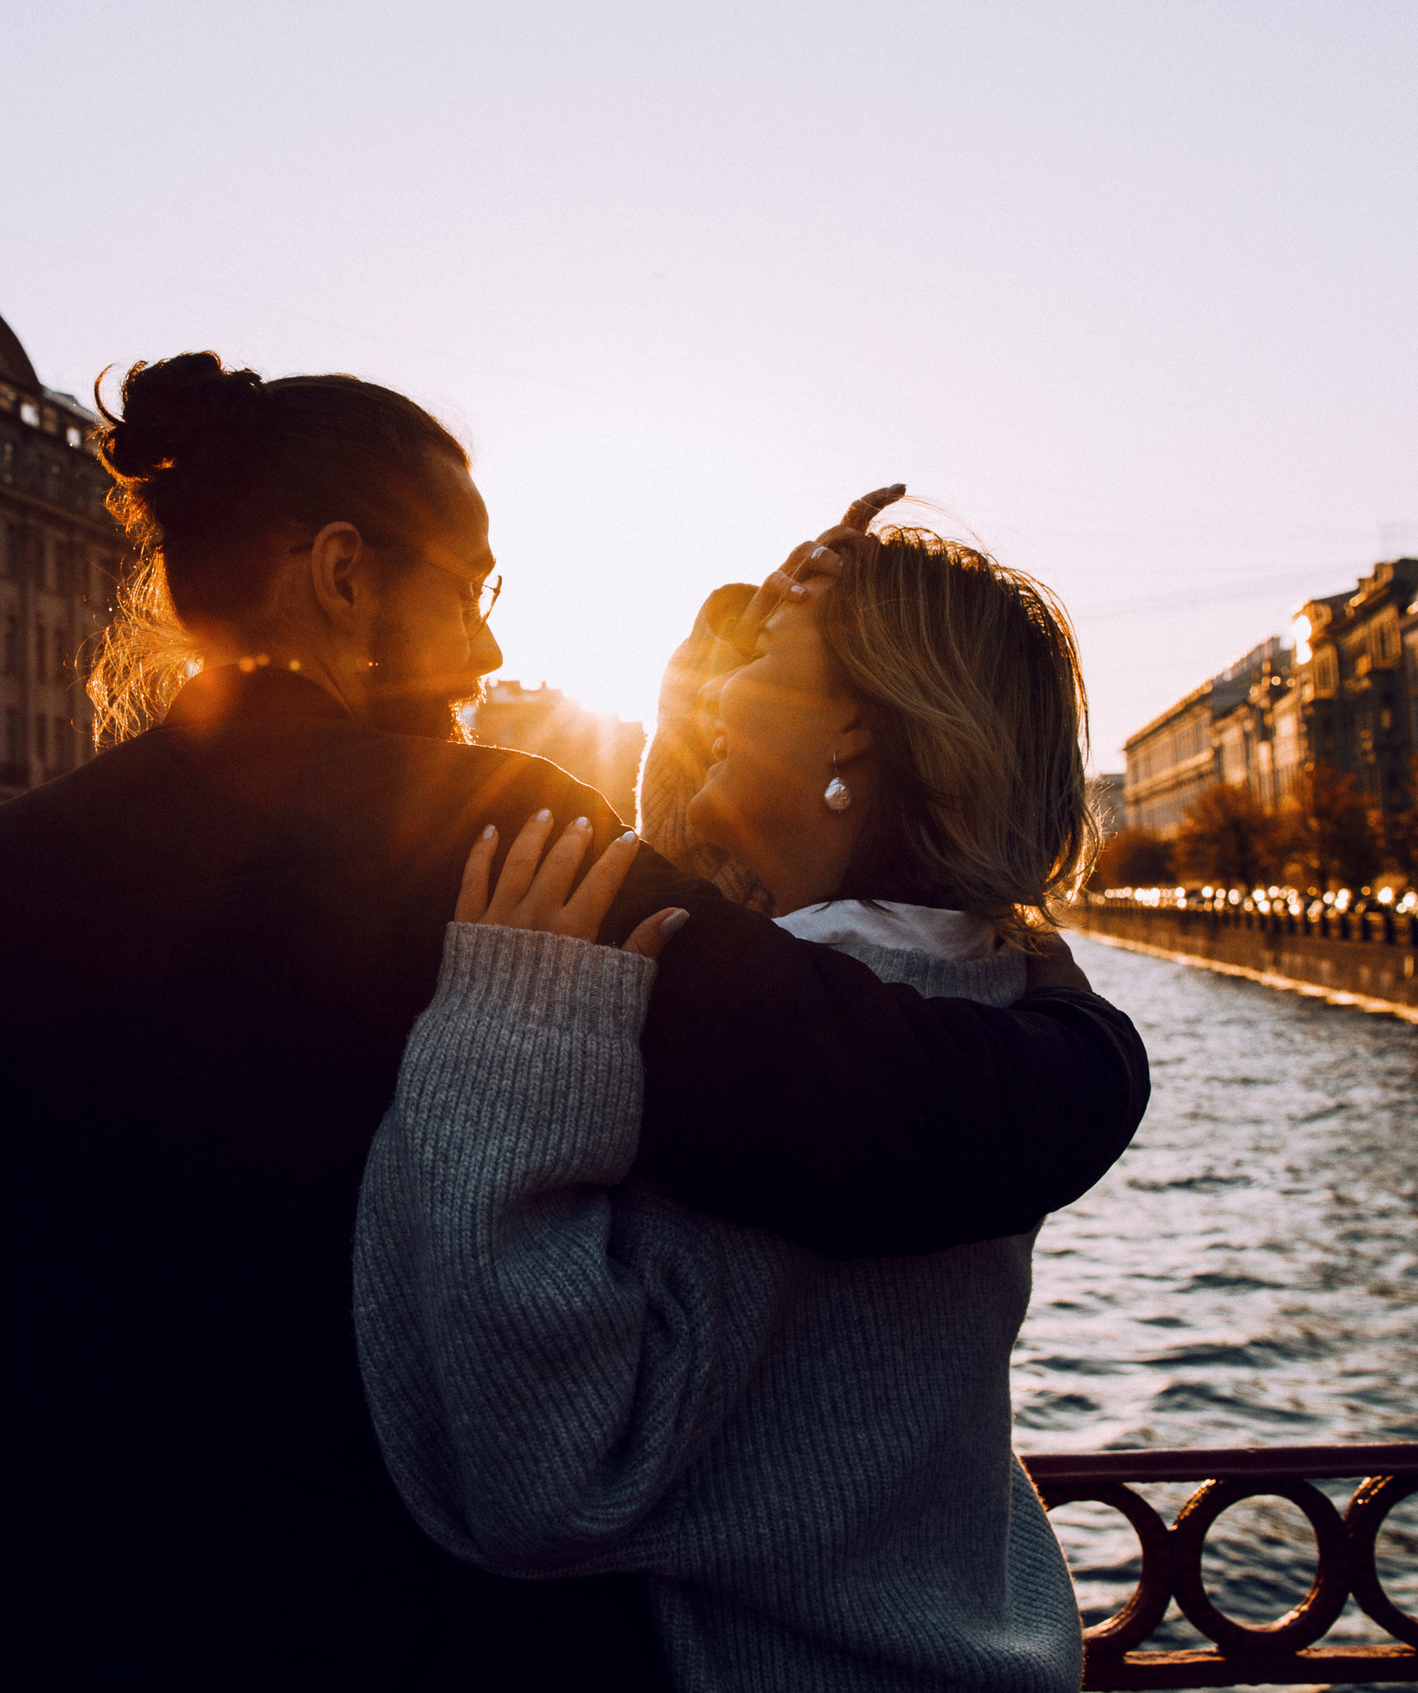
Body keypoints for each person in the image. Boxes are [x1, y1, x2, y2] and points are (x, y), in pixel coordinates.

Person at [0, 354, 1149, 1690]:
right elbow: (886, 1105)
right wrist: (1087, 1034)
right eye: (474, 591)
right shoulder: (472, 843)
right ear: (343, 576)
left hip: (49, 1628)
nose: (491, 650)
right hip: (385, 1643)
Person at [357, 520, 1103, 1690]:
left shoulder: (776, 1042)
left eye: (760, 662)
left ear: (852, 724)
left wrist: (498, 1039)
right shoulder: (968, 994)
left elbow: (539, 1479)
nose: (715, 690)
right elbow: (694, 889)